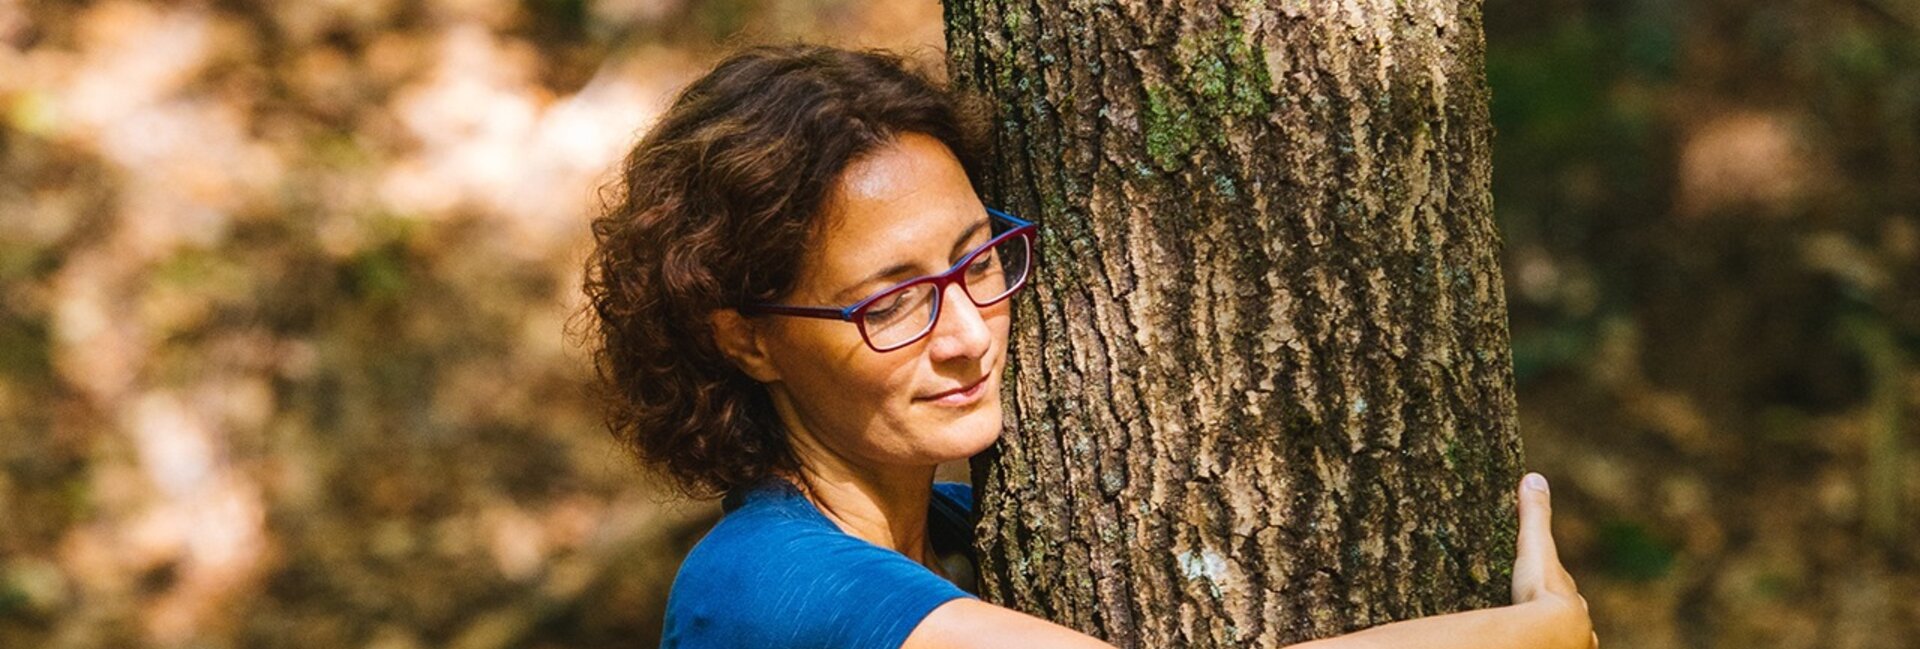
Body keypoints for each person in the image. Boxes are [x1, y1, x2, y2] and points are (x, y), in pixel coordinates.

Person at [579, 43, 1597, 649]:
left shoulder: (968, 515)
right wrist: (1527, 634)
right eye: (892, 304)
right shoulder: (759, 586)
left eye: (978, 262)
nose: (971, 336)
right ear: (746, 339)